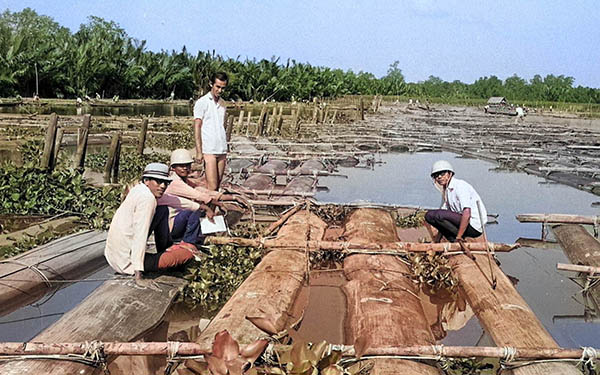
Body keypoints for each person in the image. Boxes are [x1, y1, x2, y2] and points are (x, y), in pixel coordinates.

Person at [104, 163, 198, 286]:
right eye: (158, 182)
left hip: (114, 256)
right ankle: (159, 259)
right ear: (146, 180)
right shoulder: (147, 199)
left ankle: (164, 250)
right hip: (127, 261)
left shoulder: (139, 189)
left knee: (162, 209)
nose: (163, 186)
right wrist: (139, 276)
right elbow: (140, 235)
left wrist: (200, 206)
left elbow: (173, 200)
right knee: (188, 254)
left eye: (166, 183)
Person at [159, 149, 247, 233]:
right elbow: (198, 195)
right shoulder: (174, 182)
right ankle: (189, 240)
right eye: (181, 166)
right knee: (196, 209)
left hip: (180, 220)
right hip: (173, 223)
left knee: (198, 208)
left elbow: (203, 191)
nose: (185, 168)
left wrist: (233, 197)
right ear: (173, 168)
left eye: (187, 165)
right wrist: (221, 204)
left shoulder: (185, 181)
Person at [424, 160, 487, 243]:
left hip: (473, 226)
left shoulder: (460, 186)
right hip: (461, 222)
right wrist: (437, 240)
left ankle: (458, 238)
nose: (439, 177)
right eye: (436, 175)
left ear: (450, 174)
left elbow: (467, 212)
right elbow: (441, 218)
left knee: (438, 214)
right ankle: (452, 239)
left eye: (442, 174)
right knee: (429, 216)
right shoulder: (446, 190)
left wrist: (459, 236)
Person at [193, 72, 229, 191]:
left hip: (221, 148)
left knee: (217, 186)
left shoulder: (223, 104)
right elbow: (197, 126)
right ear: (211, 84)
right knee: (212, 187)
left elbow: (222, 126)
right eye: (217, 87)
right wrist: (199, 151)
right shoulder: (202, 103)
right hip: (209, 149)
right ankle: (208, 210)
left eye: (222, 88)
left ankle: (212, 209)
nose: (219, 90)